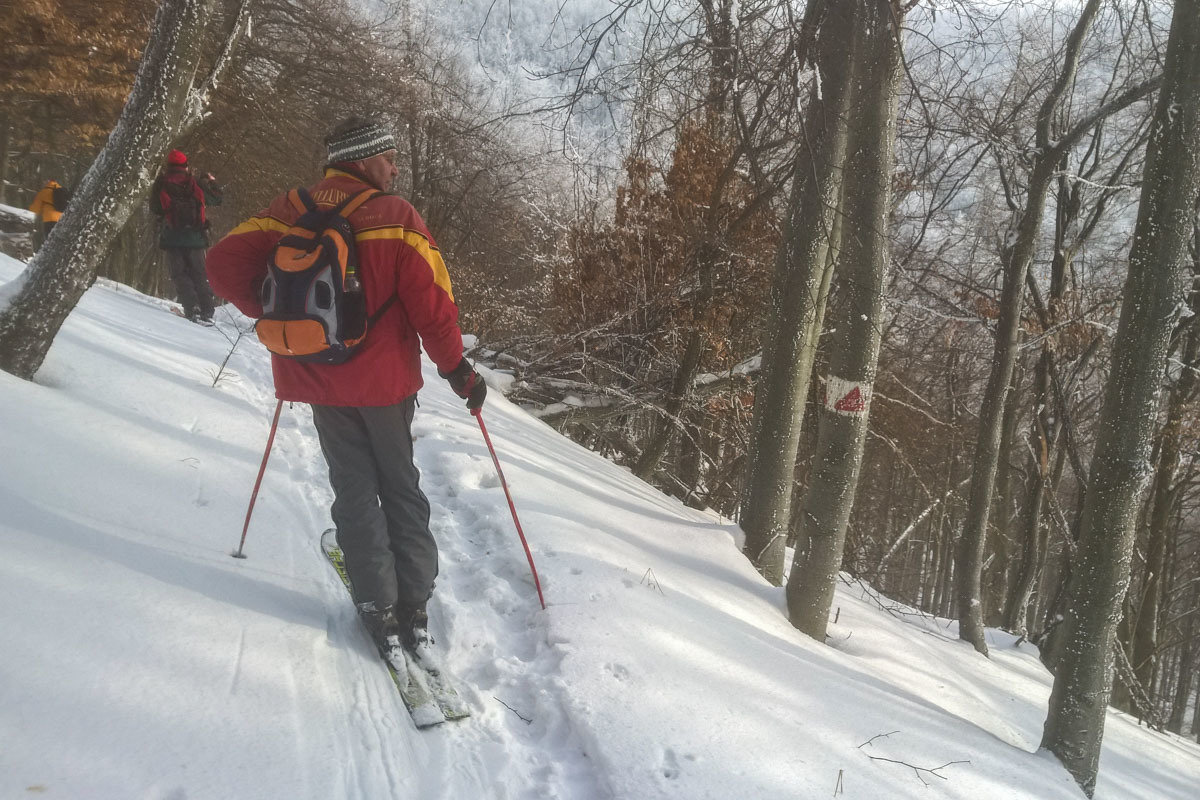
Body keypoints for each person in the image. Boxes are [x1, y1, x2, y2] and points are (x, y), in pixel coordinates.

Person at [205, 116, 487, 672]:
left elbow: (220, 263)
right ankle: (414, 606)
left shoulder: (289, 207)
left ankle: (376, 604)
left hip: (317, 378)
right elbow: (434, 305)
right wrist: (459, 373)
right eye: (388, 156)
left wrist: (279, 316)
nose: (394, 167)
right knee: (399, 484)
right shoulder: (396, 217)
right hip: (384, 384)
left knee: (353, 486)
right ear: (364, 158)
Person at [150, 149, 218, 324]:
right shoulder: (195, 183)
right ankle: (207, 310)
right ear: (186, 166)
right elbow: (217, 199)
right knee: (199, 273)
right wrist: (211, 182)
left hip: (172, 237)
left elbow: (155, 208)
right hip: (196, 237)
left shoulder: (162, 183)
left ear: (168, 166)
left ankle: (192, 307)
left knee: (180, 274)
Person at [28, 179, 69, 249]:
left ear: (47, 182)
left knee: (49, 239)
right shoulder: (61, 190)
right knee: (58, 239)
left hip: (49, 219)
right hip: (61, 218)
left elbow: (35, 209)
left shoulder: (44, 192)